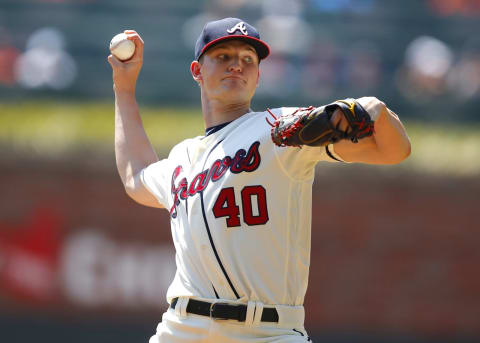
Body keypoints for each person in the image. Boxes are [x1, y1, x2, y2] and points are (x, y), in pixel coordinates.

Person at [108, 17, 411, 343]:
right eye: (223, 57)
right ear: (197, 71)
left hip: (269, 331)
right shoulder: (183, 156)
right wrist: (123, 88)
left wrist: (375, 110)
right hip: (184, 327)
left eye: (247, 60)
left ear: (257, 76)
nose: (236, 65)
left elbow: (394, 152)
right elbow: (135, 178)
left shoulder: (279, 129)